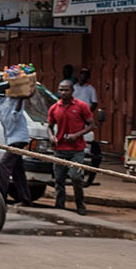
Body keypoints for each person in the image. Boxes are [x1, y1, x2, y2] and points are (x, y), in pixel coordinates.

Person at [47, 79, 96, 215]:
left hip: (77, 150)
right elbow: (49, 127)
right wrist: (51, 137)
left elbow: (92, 125)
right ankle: (59, 205)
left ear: (72, 91)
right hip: (59, 149)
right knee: (58, 179)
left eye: (66, 90)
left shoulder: (81, 106)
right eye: (61, 90)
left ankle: (80, 204)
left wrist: (77, 135)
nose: (63, 92)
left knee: (76, 177)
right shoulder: (54, 108)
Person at [0, 89, 32, 205]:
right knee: (17, 170)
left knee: (3, 165)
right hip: (10, 139)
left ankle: (0, 199)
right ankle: (25, 199)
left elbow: (15, 118)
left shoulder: (14, 98)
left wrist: (20, 101)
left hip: (19, 138)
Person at [73, 67, 103, 185]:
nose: (83, 77)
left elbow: (94, 103)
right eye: (82, 74)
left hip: (85, 118)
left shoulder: (90, 89)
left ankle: (87, 178)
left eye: (86, 74)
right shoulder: (74, 88)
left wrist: (86, 113)